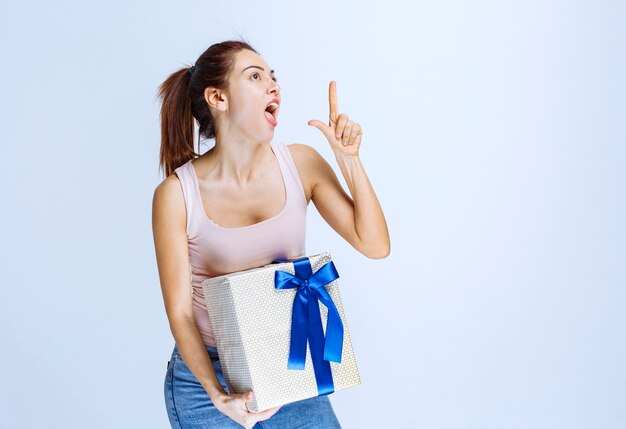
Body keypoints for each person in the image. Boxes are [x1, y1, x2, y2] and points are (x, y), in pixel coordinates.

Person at [152, 39, 390, 429]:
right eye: (255, 76)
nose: (274, 85)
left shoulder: (301, 163)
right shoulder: (176, 195)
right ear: (218, 98)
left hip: (289, 363)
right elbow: (179, 312)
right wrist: (219, 395)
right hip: (205, 382)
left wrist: (349, 161)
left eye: (273, 76)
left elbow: (376, 245)